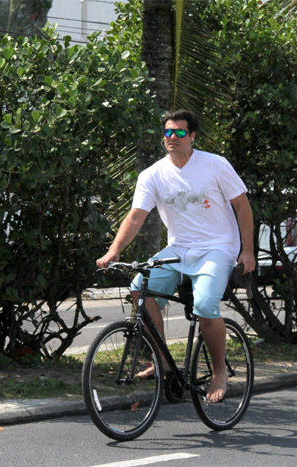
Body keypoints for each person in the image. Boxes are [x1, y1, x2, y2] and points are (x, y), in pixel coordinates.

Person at [96, 109, 255, 403]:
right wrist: (114, 249)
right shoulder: (153, 174)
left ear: (192, 136)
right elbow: (135, 216)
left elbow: (242, 207)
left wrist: (247, 251)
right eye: (168, 132)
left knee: (206, 305)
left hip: (217, 247)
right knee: (138, 289)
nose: (172, 138)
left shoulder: (216, 165)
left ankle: (219, 371)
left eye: (179, 132)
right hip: (179, 249)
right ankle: (163, 361)